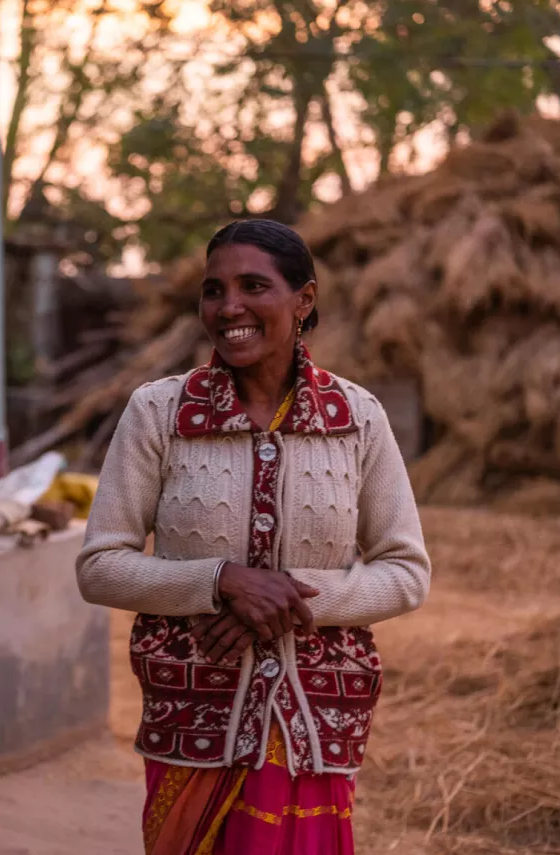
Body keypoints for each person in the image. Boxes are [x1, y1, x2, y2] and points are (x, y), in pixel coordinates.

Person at [77, 220, 431, 855]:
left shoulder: (358, 419)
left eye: (253, 286)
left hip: (315, 721)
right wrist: (221, 583)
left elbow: (406, 571)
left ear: (305, 300)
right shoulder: (160, 413)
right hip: (194, 715)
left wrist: (287, 602)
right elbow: (100, 565)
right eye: (214, 290)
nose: (229, 307)